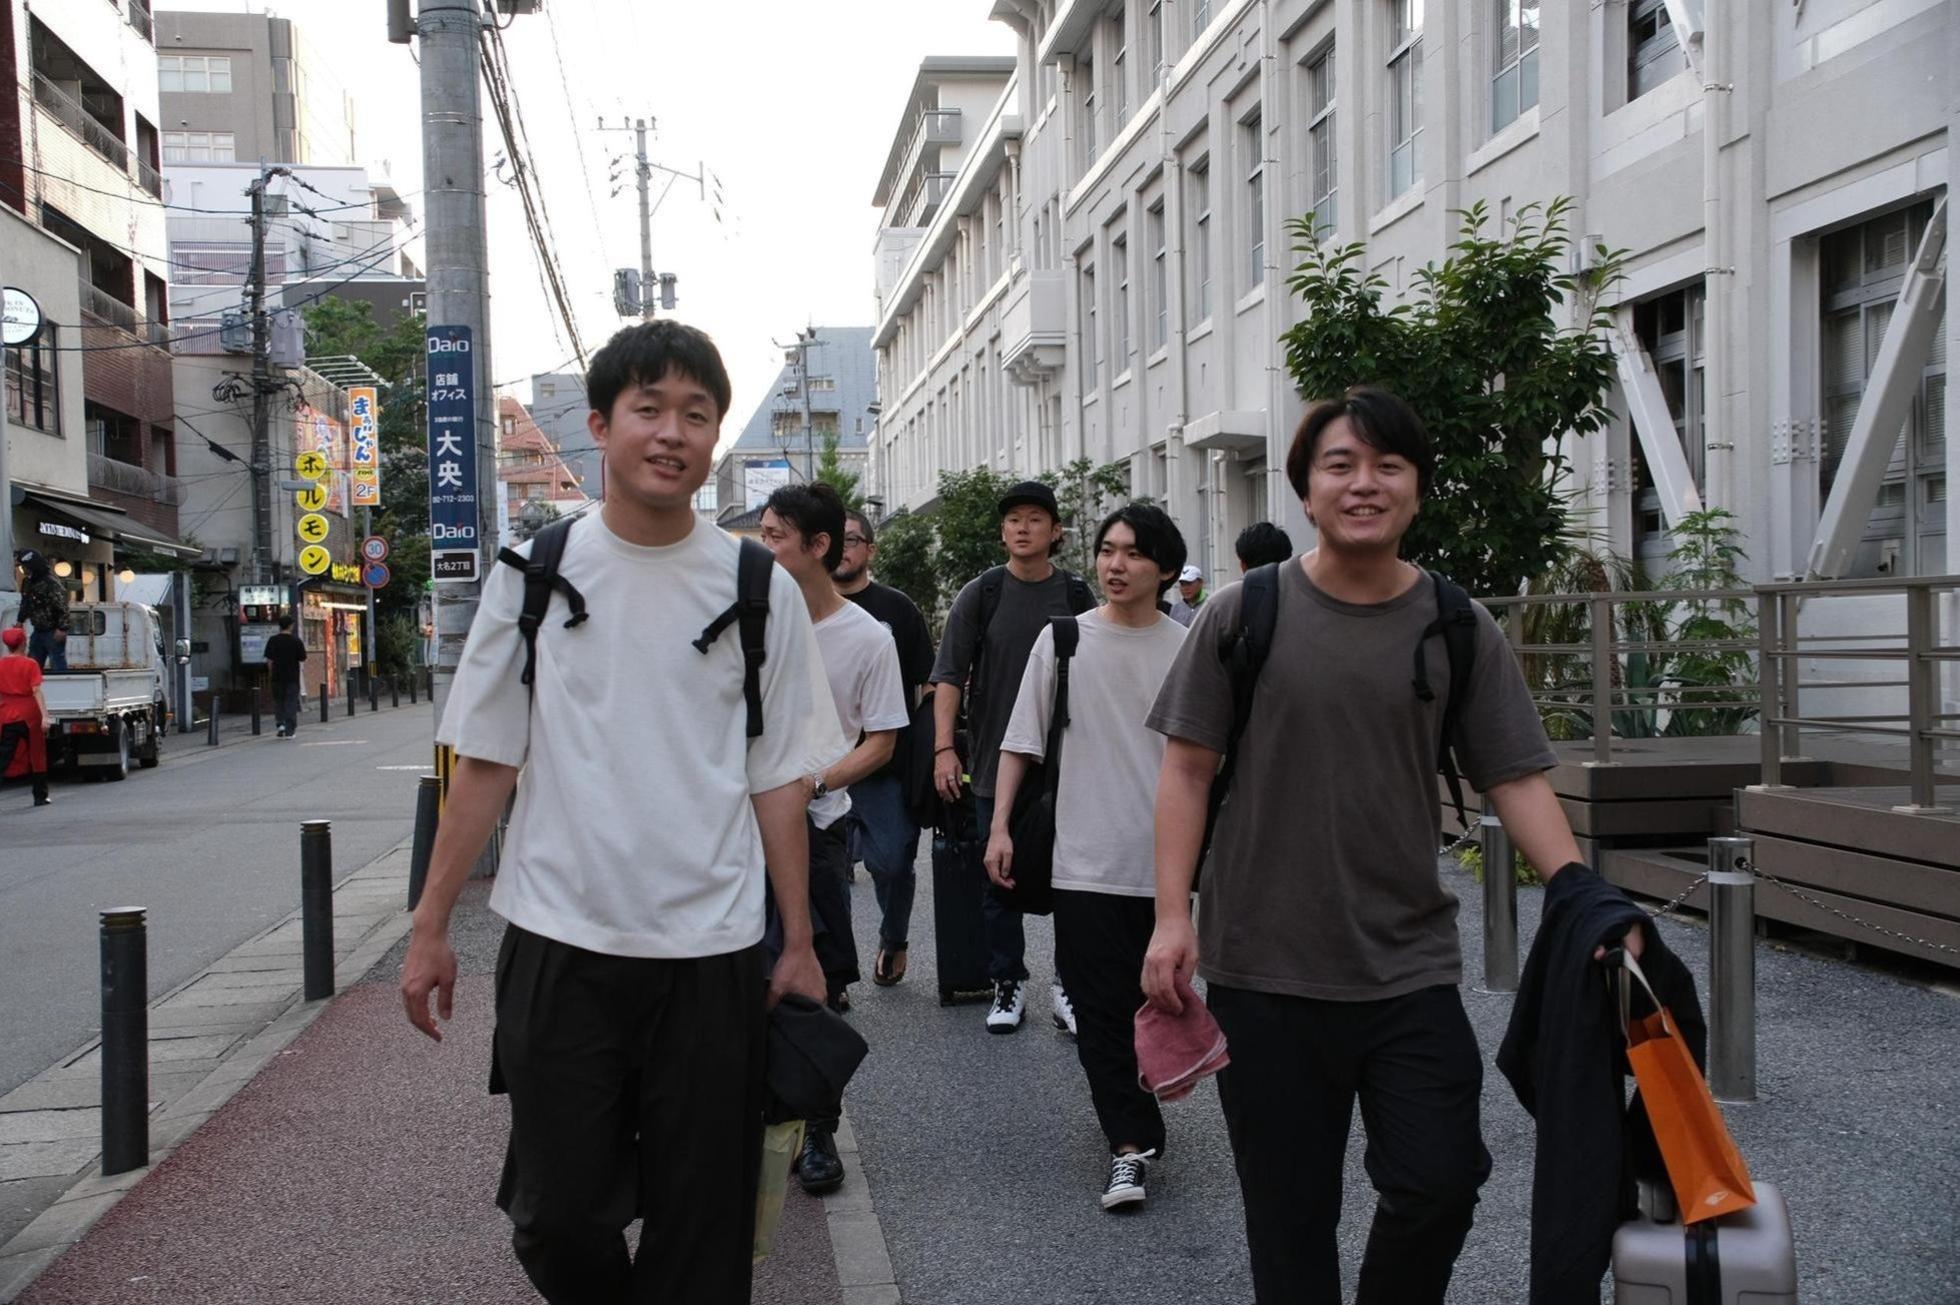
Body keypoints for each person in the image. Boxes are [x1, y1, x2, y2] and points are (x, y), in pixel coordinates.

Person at [1141, 386, 1639, 1304]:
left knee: (1441, 1178)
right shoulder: (1244, 612)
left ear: (1416, 488)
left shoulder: (1454, 623)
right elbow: (1187, 771)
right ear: (1305, 490)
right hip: (1265, 969)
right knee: (1290, 1221)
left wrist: (1582, 895)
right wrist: (1173, 917)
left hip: (1409, 965)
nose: (1363, 483)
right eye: (1340, 465)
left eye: (1387, 465)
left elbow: (1515, 774)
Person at [399, 320, 846, 1304]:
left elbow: (778, 777)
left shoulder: (758, 587)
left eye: (696, 413)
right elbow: (487, 760)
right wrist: (430, 923)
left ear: (715, 436)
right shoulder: (533, 574)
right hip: (560, 940)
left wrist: (799, 938)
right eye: (649, 409)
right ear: (600, 425)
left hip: (712, 950)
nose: (672, 432)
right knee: (557, 1217)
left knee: (704, 1226)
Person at [988, 502, 1187, 1211]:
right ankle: (1129, 1146)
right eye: (1107, 550)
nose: (1115, 564)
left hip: (1164, 864)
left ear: (1165, 567)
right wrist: (1000, 826)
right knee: (1100, 1011)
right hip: (1081, 858)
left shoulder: (1188, 647)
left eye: (1133, 552)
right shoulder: (1064, 639)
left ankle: (1141, 1102)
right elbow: (1022, 740)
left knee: (1149, 1000)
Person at [758, 481, 908, 1195]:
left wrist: (814, 784)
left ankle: (818, 1130)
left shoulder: (867, 637)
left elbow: (882, 740)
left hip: (816, 828)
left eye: (775, 536)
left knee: (816, 978)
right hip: (734, 829)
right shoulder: (746, 621)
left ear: (818, 546)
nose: (764, 549)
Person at [930, 479, 1097, 1035]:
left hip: (1066, 766)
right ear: (1003, 532)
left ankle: (1068, 984)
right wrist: (944, 748)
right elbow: (948, 675)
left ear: (1055, 531)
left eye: (1034, 519)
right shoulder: (982, 594)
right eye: (1013, 520)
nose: (1023, 528)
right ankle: (1007, 980)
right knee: (997, 876)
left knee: (1072, 879)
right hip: (993, 763)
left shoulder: (1076, 595)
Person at [832, 507, 935, 988]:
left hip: (884, 764)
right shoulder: (804, 607)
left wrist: (934, 750)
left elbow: (927, 684)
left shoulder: (897, 609)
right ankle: (832, 972)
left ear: (870, 550)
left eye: (852, 540)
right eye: (834, 539)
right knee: (827, 871)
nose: (842, 548)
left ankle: (894, 937)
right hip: (822, 763)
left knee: (892, 863)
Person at [1, 626, 53, 806]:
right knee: (37, 754)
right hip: (29, 714)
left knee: (4, 755)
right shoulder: (30, 664)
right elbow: (36, 690)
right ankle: (40, 796)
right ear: (23, 643)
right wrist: (45, 715)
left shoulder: (1, 664)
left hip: (6, 713)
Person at [15, 550, 70, 672]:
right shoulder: (28, 582)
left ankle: (62, 682)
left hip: (53, 630)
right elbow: (26, 603)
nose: (23, 570)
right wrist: (20, 620)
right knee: (33, 663)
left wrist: (62, 628)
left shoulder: (51, 583)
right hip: (38, 629)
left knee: (57, 663)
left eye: (24, 567)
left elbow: (62, 606)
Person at [261, 616, 307, 738]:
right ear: (291, 625)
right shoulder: (296, 641)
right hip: (292, 677)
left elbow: (269, 660)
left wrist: (271, 673)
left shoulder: (273, 640)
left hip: (277, 676)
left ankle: (280, 724)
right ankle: (289, 730)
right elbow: (302, 658)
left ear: (280, 626)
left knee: (279, 701)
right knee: (290, 702)